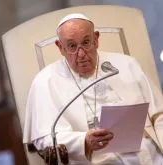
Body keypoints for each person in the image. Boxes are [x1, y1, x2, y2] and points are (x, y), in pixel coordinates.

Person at [23, 13, 163, 165]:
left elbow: (159, 114)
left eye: (86, 42)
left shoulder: (126, 64)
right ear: (60, 47)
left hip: (149, 154)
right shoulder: (45, 81)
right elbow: (44, 139)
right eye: (72, 46)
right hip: (97, 160)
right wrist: (84, 141)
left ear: (96, 39)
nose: (81, 54)